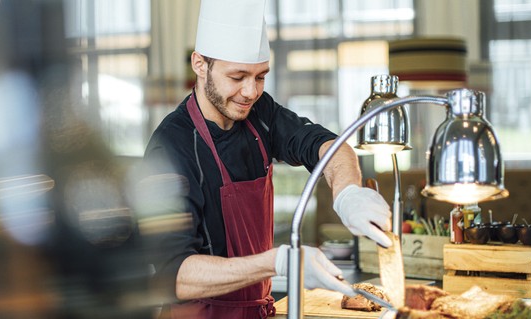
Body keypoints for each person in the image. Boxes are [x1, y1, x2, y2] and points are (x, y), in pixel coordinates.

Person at [143, 0, 392, 318]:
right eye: (237, 77)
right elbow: (175, 276)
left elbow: (326, 144)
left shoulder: (259, 115)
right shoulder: (170, 149)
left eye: (261, 77)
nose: (250, 92)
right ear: (200, 64)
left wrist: (348, 193)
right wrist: (278, 262)